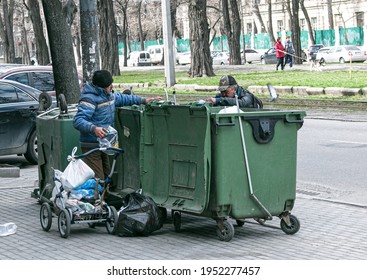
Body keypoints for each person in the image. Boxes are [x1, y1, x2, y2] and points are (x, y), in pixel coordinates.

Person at [73, 70, 161, 180]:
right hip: (91, 145)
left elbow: (124, 98)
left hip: (104, 143)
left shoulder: (109, 95)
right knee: (98, 178)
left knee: (107, 175)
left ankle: (102, 196)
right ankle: (95, 197)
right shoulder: (89, 99)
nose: (112, 86)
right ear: (101, 87)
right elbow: (78, 120)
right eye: (109, 85)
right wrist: (94, 129)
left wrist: (143, 100)